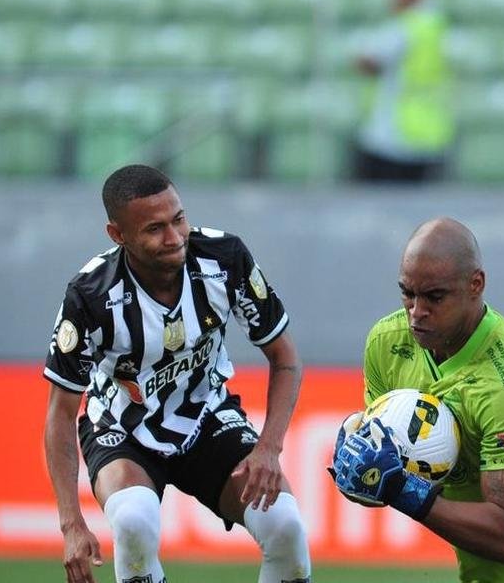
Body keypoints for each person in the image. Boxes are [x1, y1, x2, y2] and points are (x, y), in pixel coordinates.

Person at [43, 164, 311, 583]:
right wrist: (71, 523)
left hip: (207, 417)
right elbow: (61, 412)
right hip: (121, 427)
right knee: (134, 520)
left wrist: (268, 449)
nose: (174, 238)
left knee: (285, 526)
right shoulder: (90, 296)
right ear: (118, 235)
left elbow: (286, 358)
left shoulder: (225, 260)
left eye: (178, 219)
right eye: (154, 229)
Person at [329, 218, 504, 582]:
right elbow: (393, 473)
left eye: (434, 297)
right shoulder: (387, 343)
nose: (416, 311)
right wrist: (362, 475)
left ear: (476, 284)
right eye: (407, 293)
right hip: (479, 572)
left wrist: (399, 490)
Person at [353, 0, 454, 183]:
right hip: (428, 128)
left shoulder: (405, 27)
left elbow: (367, 62)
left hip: (396, 131)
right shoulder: (437, 24)